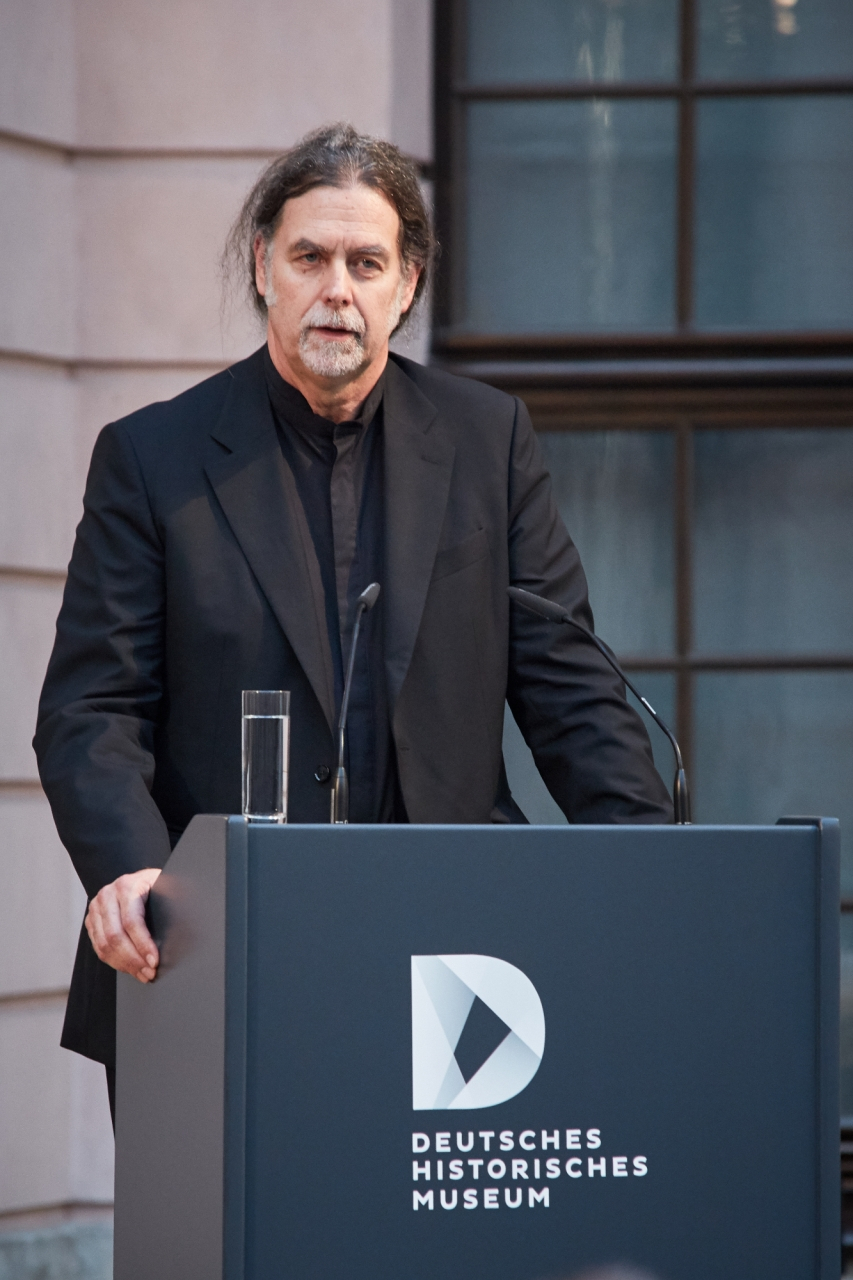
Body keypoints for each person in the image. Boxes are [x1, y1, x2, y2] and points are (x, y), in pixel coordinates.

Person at [34, 123, 672, 1117]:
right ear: (263, 268)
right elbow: (91, 709)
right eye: (310, 258)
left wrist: (657, 873)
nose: (337, 289)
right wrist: (132, 870)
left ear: (405, 285)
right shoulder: (152, 458)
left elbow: (569, 686)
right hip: (213, 954)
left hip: (460, 957)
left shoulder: (487, 439)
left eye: (366, 263)